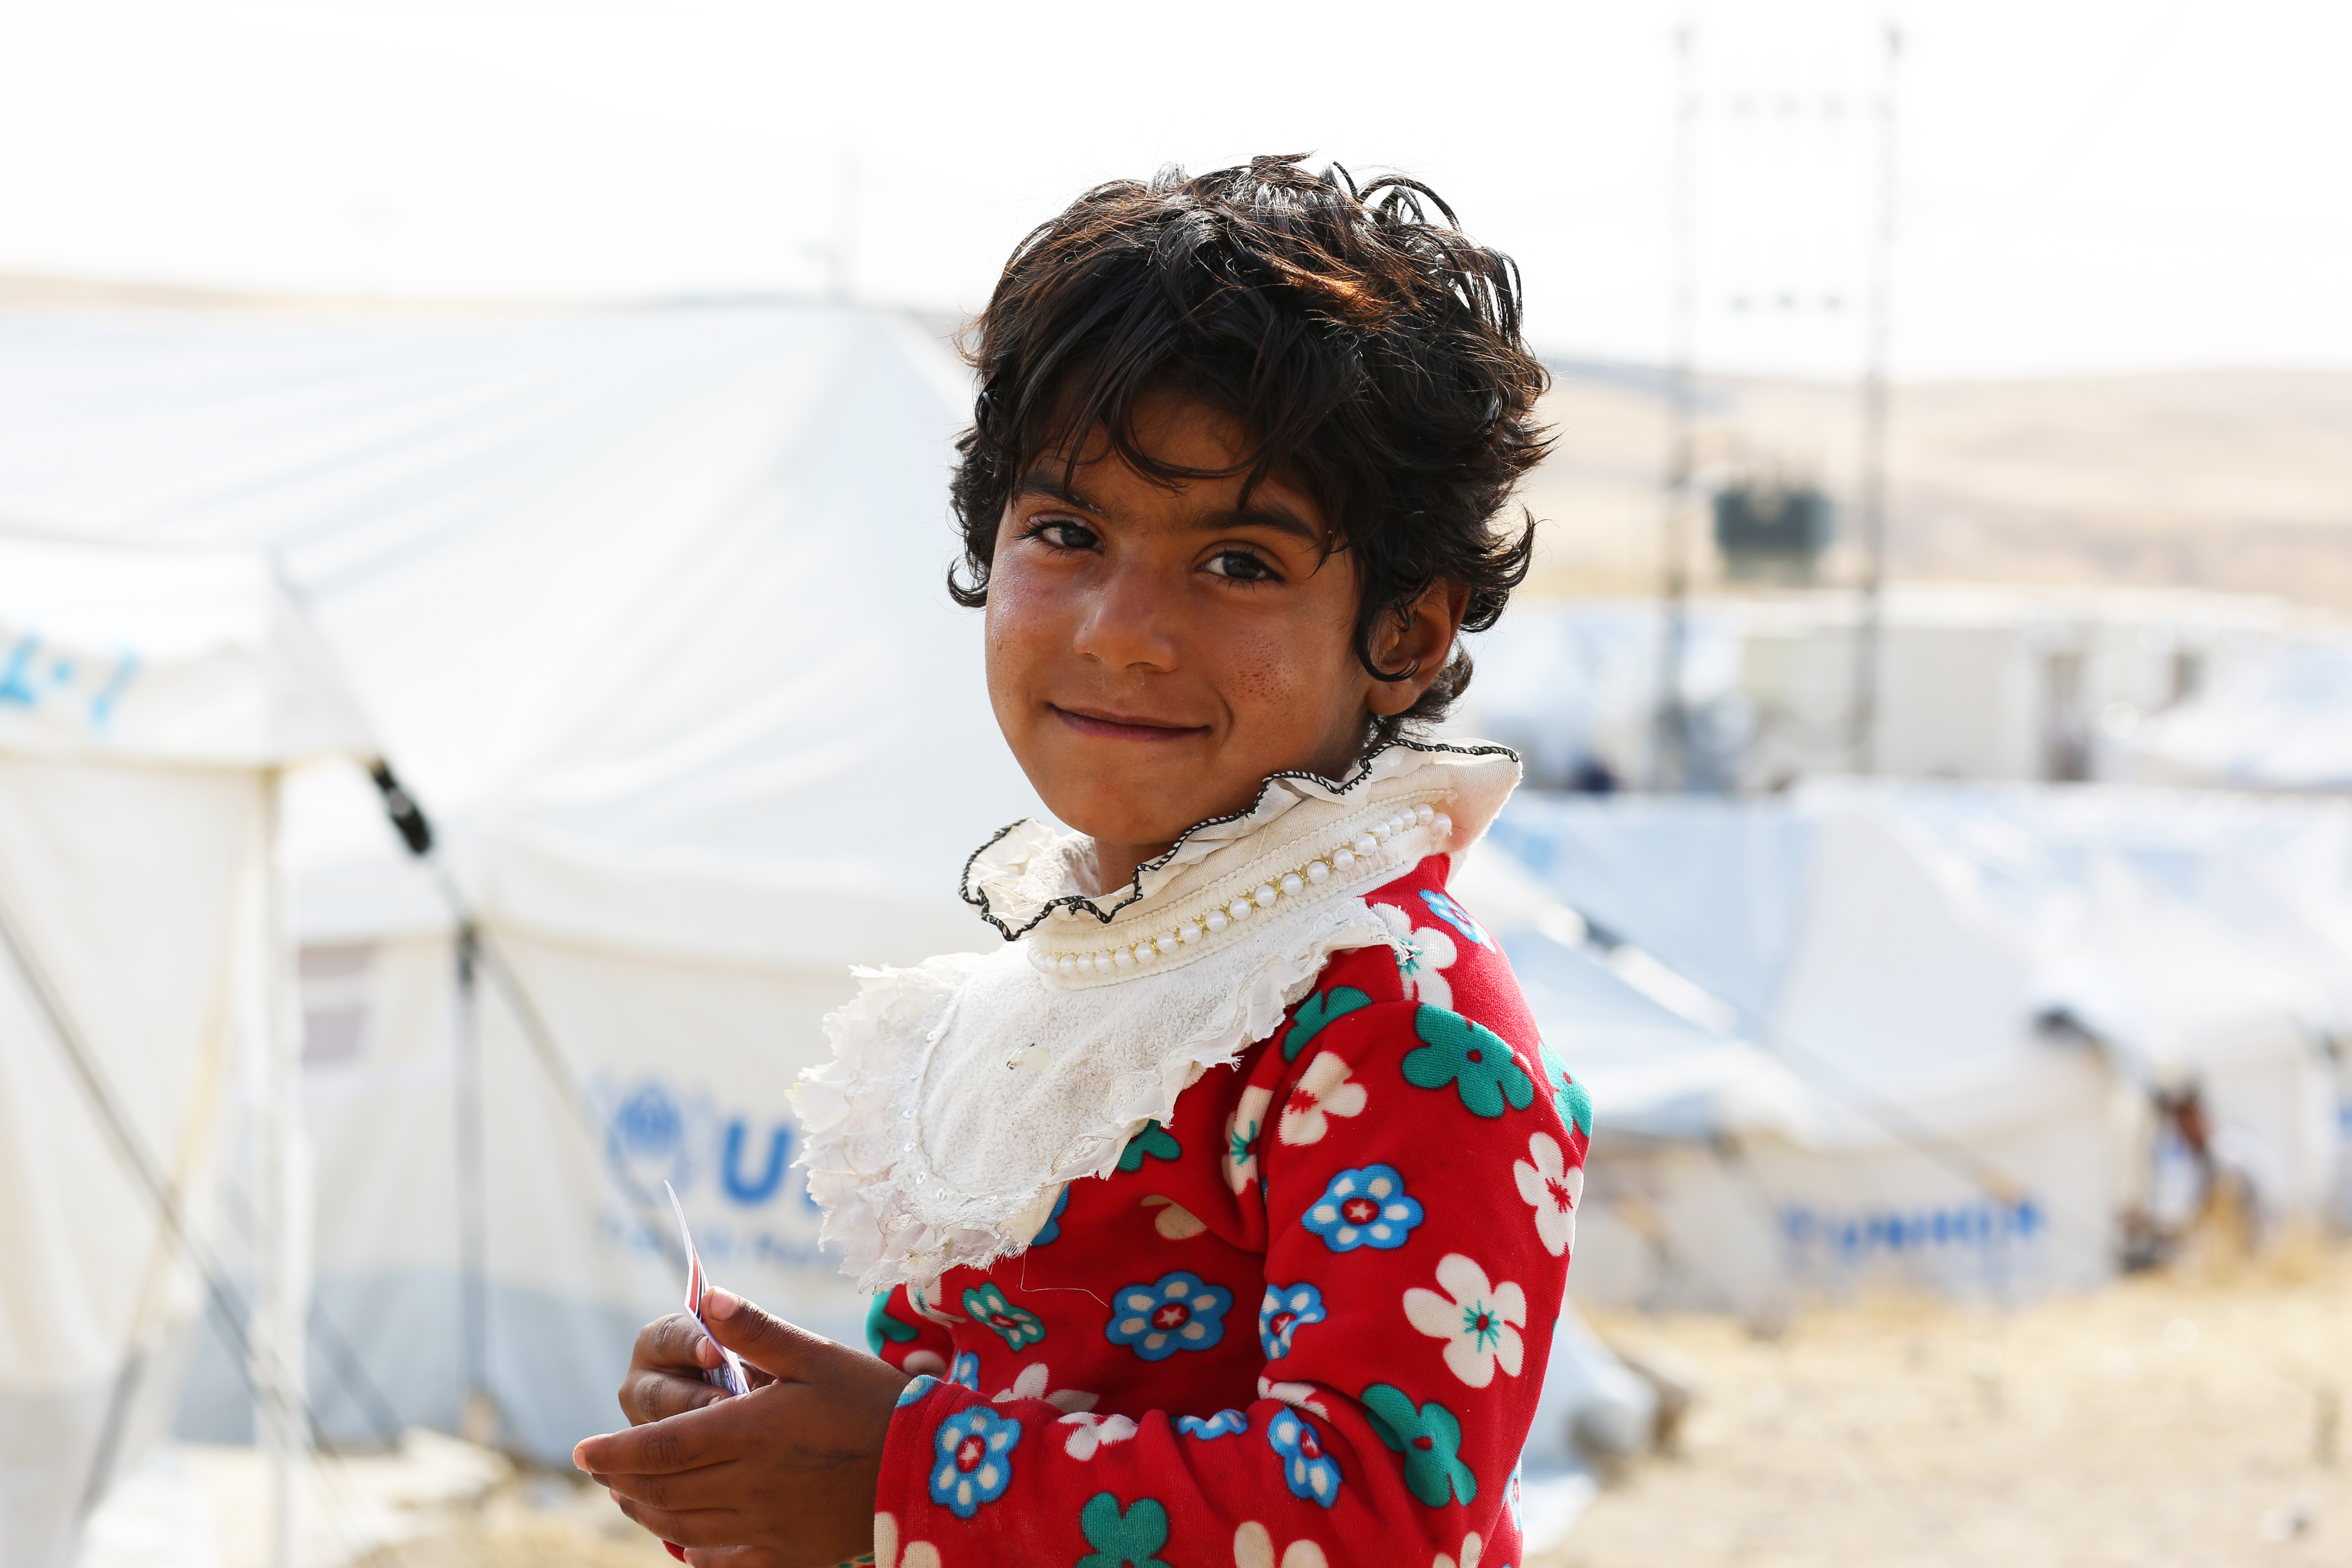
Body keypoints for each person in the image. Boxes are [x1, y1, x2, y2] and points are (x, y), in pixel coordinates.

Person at [574, 154, 1591, 1568]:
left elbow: (1376, 1520)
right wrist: (775, 1449)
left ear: (1405, 635)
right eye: (1067, 533)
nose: (1123, 629)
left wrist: (898, 1482)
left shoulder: (1396, 1021)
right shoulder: (1064, 996)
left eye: (1239, 561)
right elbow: (989, 1419)